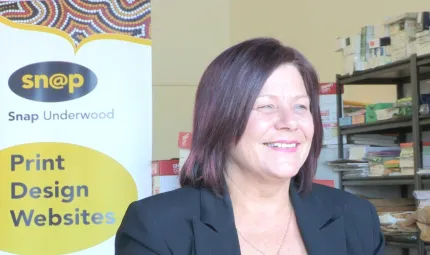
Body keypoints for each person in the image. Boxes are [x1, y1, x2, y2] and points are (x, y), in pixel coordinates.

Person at [114, 37, 384, 255]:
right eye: (267, 106)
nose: (289, 122)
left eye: (301, 106)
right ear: (221, 119)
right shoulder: (155, 226)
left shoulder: (356, 218)